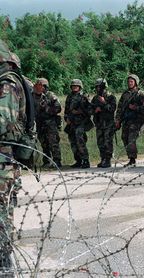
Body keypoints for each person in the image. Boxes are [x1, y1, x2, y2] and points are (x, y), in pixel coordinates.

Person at [0, 39, 35, 275]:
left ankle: (4, 265)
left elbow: (2, 120)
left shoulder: (8, 83)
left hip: (3, 164)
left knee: (1, 217)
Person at [115, 74, 144, 167]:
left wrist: (135, 107)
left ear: (135, 82)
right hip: (126, 120)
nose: (129, 83)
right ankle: (130, 157)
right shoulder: (125, 94)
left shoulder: (140, 94)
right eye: (128, 82)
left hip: (136, 120)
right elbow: (120, 108)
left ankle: (132, 160)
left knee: (131, 139)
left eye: (131, 81)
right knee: (124, 137)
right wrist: (117, 120)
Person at [32, 78, 62, 168]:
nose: (39, 88)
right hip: (39, 123)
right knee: (43, 143)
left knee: (53, 142)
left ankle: (57, 161)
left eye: (41, 86)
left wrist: (46, 108)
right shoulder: (32, 96)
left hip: (50, 122)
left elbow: (58, 108)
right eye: (37, 86)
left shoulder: (50, 95)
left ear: (45, 87)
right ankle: (46, 161)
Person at [64, 79, 94, 169]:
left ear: (80, 87)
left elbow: (90, 110)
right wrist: (66, 118)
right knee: (72, 141)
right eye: (73, 86)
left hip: (81, 122)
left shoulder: (84, 96)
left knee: (80, 140)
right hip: (72, 122)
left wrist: (80, 111)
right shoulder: (69, 97)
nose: (74, 87)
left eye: (76, 86)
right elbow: (66, 109)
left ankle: (85, 160)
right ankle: (78, 160)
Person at [91, 78, 116, 168]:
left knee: (108, 141)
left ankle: (108, 160)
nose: (98, 89)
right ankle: (103, 159)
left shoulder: (111, 97)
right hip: (99, 123)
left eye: (100, 87)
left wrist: (104, 103)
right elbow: (90, 109)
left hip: (108, 123)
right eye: (97, 87)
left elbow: (112, 109)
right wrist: (95, 110)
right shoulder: (95, 98)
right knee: (100, 142)